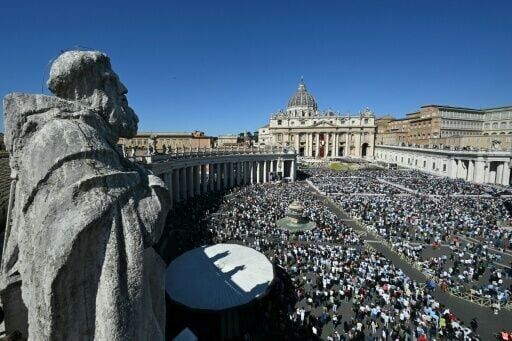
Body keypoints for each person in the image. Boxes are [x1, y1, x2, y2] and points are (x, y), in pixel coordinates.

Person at [1, 51, 169, 340]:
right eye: (113, 81)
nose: (124, 89)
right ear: (92, 90)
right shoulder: (71, 139)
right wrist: (155, 186)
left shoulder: (87, 137)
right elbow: (134, 225)